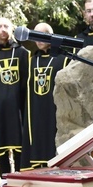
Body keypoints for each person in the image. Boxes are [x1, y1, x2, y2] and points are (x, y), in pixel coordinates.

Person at [0, 17, 30, 174]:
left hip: (18, 107)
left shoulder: (23, 53)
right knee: (1, 145)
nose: (3, 29)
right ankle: (4, 179)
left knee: (19, 146)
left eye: (6, 26)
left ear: (12, 29)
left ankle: (21, 179)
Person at [21, 22, 67, 169]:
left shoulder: (64, 58)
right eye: (36, 36)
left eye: (43, 35)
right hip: (35, 112)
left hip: (56, 112)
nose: (39, 40)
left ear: (51, 36)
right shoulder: (31, 61)